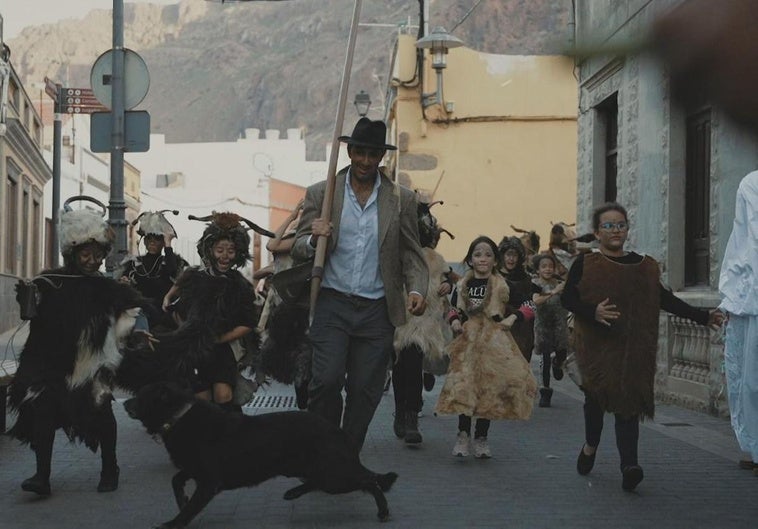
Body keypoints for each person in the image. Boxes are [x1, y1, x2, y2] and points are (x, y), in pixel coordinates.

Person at [561, 202, 724, 491]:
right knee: (595, 404)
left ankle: (629, 466)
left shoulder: (644, 266)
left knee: (629, 405)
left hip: (633, 348)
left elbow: (665, 299)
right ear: (597, 232)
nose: (616, 230)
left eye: (620, 224)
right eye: (608, 225)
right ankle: (590, 446)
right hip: (596, 348)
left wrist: (703, 316)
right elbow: (567, 300)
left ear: (627, 229)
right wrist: (593, 312)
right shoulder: (586, 263)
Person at [291, 117, 429, 451]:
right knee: (325, 381)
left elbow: (412, 253)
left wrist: (416, 290)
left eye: (373, 154)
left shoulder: (401, 199)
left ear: (381, 156)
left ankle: (346, 453)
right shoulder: (323, 194)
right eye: (361, 152)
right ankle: (324, 447)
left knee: (365, 389)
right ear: (350, 151)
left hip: (377, 310)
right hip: (332, 303)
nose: (366, 161)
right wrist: (313, 238)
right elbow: (297, 247)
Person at [8, 200, 144, 495]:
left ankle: (110, 468)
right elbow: (31, 316)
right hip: (52, 367)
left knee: (102, 410)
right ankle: (41, 477)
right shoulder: (49, 281)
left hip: (91, 366)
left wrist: (132, 334)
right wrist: (27, 296)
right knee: (42, 409)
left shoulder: (107, 288)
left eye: (97, 255)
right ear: (72, 252)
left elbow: (126, 319)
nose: (92, 261)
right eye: (85, 254)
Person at [436, 236, 538, 459]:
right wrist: (454, 321)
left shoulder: (503, 285)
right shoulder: (463, 284)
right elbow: (453, 309)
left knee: (488, 388)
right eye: (478, 254)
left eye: (488, 255)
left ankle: (481, 438)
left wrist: (513, 319)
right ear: (470, 260)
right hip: (467, 343)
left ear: (495, 261)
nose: (483, 259)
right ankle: (462, 435)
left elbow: (529, 304)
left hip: (494, 342)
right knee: (465, 387)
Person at [162, 212, 261, 412]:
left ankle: (231, 437)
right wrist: (185, 329)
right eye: (220, 250)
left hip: (222, 351)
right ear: (209, 250)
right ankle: (205, 439)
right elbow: (174, 305)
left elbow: (248, 323)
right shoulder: (194, 277)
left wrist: (220, 339)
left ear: (239, 253)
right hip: (194, 352)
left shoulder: (240, 285)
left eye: (231, 251)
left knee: (224, 395)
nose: (225, 256)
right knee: (202, 400)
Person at [392, 199, 454, 445]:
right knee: (400, 366)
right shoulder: (394, 254)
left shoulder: (435, 259)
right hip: (395, 319)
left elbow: (448, 278)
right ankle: (401, 410)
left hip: (423, 322)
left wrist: (448, 284)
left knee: (412, 361)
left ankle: (411, 417)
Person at [718, 170, 758, 475]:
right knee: (749, 379)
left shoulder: (751, 184)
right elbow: (745, 241)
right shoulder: (751, 183)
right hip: (750, 299)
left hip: (750, 298)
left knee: (751, 379)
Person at [117, 210, 187, 331]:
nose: (153, 242)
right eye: (149, 238)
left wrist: (168, 244)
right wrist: (125, 283)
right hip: (140, 316)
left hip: (164, 316)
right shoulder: (134, 264)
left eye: (158, 238)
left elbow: (172, 272)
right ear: (144, 240)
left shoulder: (171, 261)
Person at [531, 252, 569, 408]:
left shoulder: (561, 283)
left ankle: (558, 363)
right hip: (543, 327)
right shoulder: (535, 284)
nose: (547, 269)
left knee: (562, 353)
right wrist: (554, 292)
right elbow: (536, 300)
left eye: (550, 266)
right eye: (544, 266)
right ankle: (545, 392)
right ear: (538, 269)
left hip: (560, 325)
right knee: (544, 359)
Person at [497, 236, 539, 362]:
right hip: (498, 328)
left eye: (514, 255)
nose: (511, 259)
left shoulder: (526, 279)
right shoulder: (493, 276)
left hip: (520, 329)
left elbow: (530, 303)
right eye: (508, 255)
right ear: (502, 256)